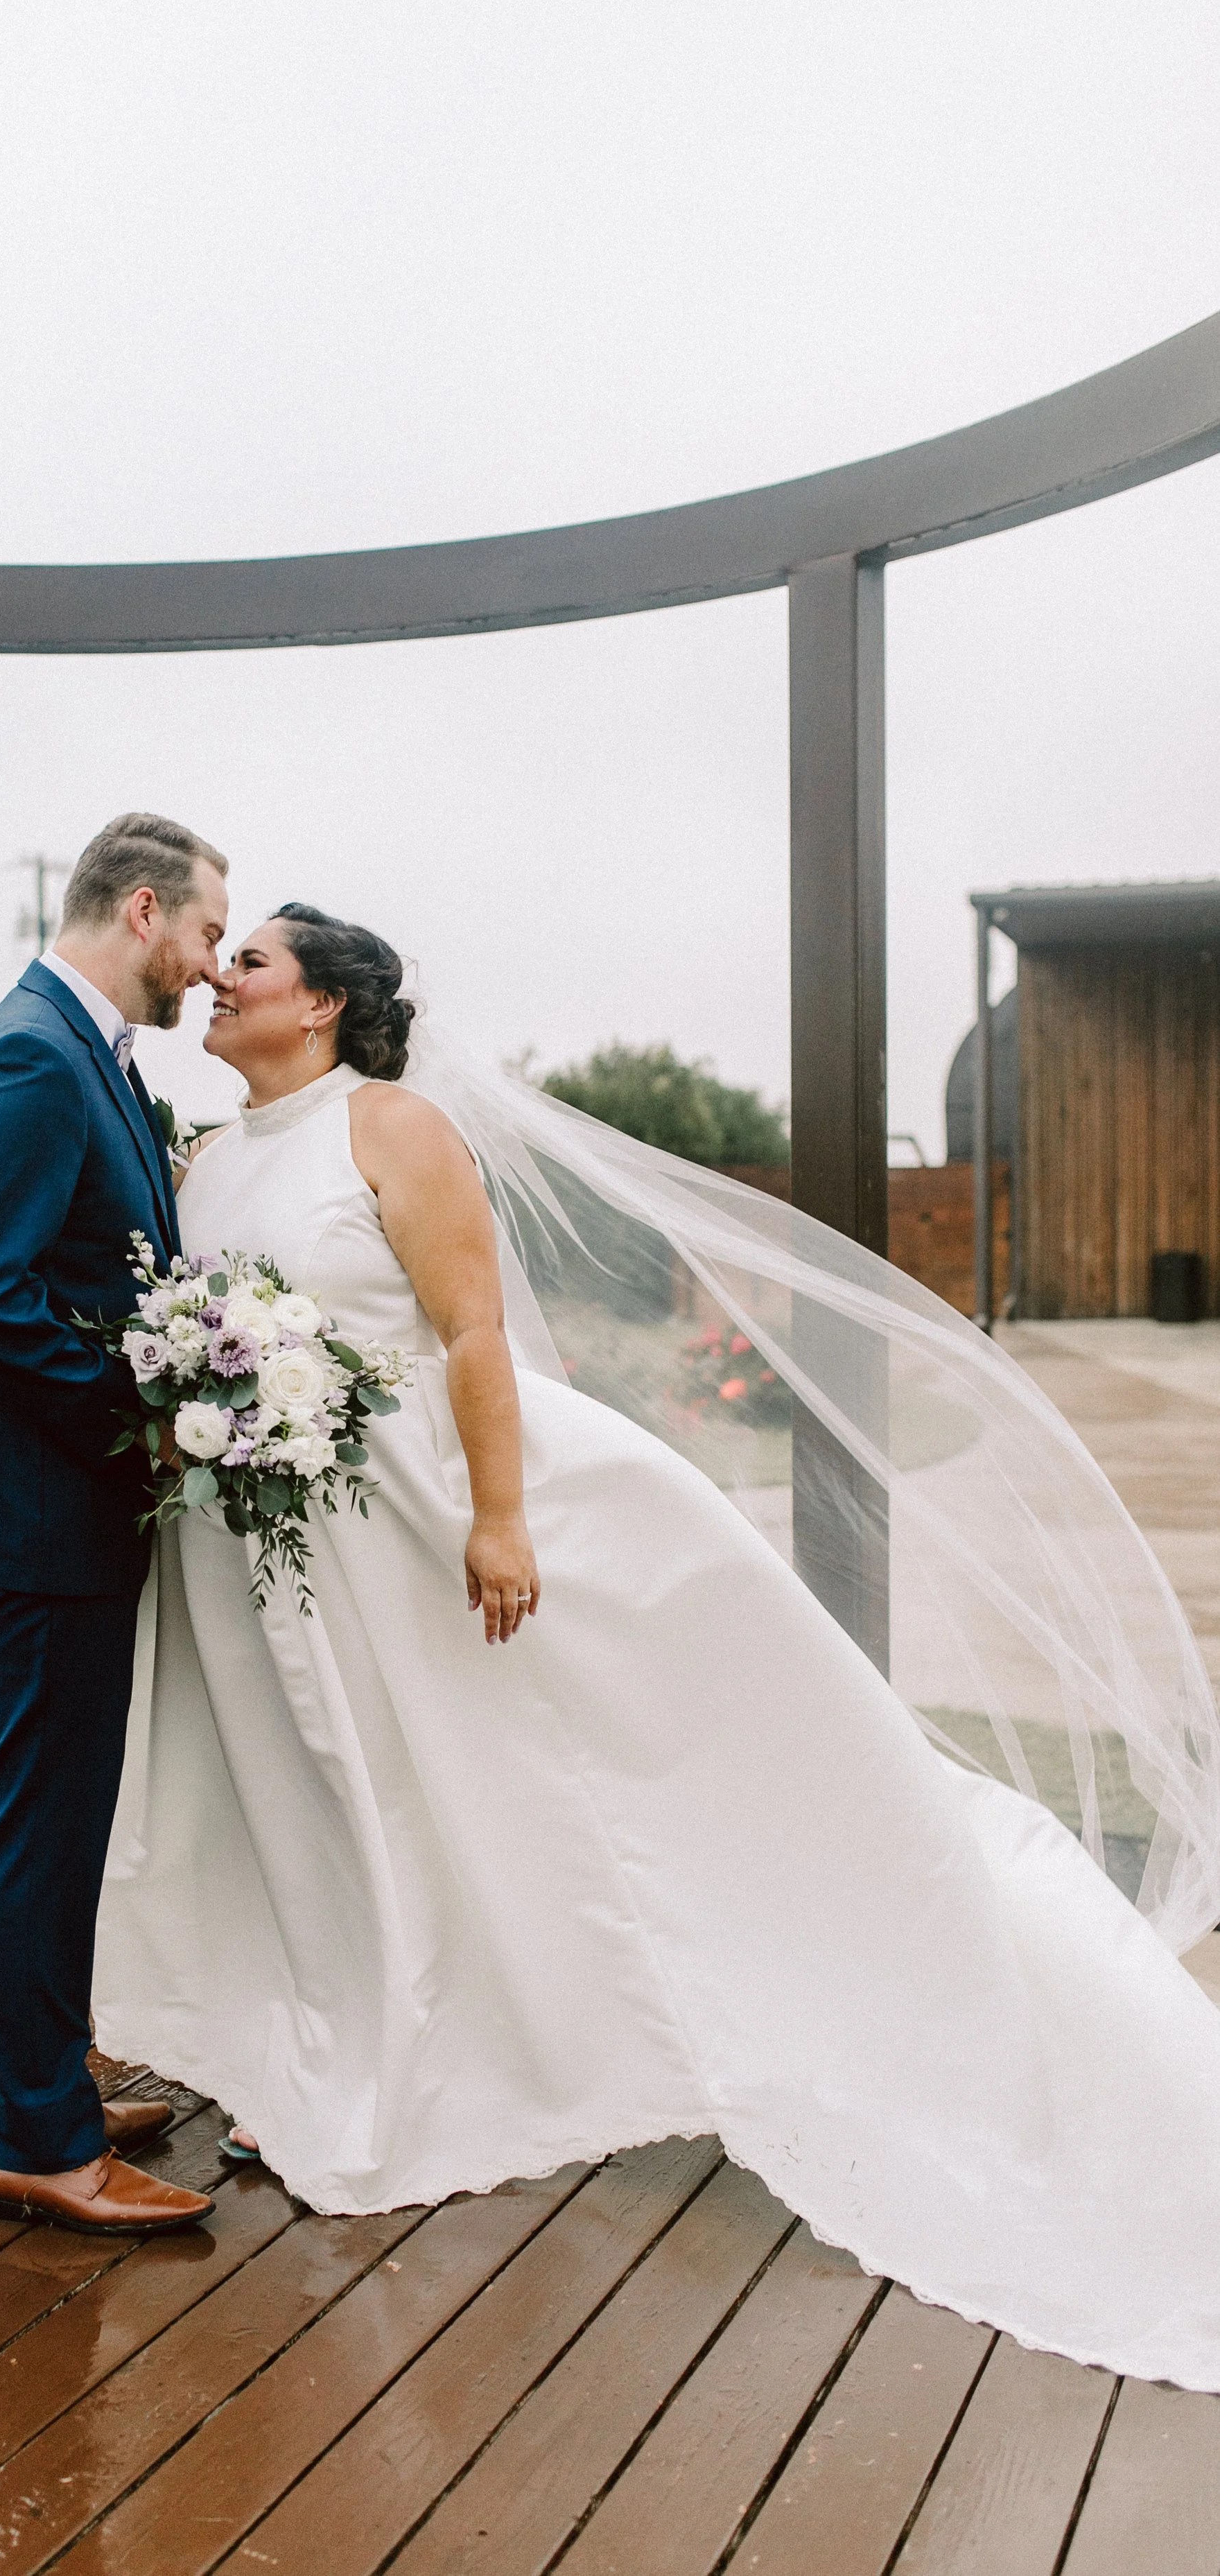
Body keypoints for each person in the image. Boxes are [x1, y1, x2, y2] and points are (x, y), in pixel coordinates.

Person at [94, 899, 1220, 2389]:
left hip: (433, 1505)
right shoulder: (208, 1156)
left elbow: (471, 1331)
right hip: (289, 1537)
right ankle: (341, 2032)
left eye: (251, 962)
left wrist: (501, 1520)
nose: (219, 979)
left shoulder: (394, 1128)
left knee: (542, 1766)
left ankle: (844, 1953)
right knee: (335, 1777)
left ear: (320, 1006)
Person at [0, 811, 229, 2238]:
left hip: (32, 1498)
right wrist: (137, 1417)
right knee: (37, 1819)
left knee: (14, 1813)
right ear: (142, 911)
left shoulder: (86, 1051)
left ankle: (16, 2087)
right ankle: (39, 2143)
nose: (211, 965)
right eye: (206, 932)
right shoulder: (32, 1055)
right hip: (30, 1503)